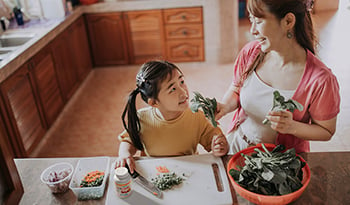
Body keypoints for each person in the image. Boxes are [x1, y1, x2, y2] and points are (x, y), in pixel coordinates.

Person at [215, 0, 340, 154]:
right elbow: (236, 89)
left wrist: (292, 126)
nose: (252, 30)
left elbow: (326, 131)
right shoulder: (250, 53)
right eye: (251, 20)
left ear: (288, 21)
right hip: (237, 147)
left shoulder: (320, 80)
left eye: (259, 21)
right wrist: (225, 107)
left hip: (280, 164)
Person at [116, 60, 229, 172]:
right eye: (173, 89)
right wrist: (124, 154)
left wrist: (221, 146)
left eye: (182, 82)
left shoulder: (198, 117)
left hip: (188, 172)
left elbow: (216, 140)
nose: (183, 92)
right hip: (155, 172)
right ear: (154, 103)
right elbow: (128, 141)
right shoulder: (142, 118)